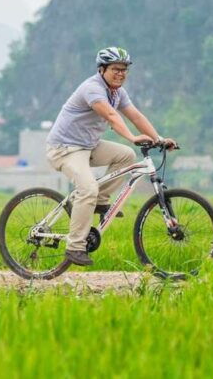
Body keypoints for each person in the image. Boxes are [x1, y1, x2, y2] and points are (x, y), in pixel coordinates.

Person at [46, 47, 176, 266]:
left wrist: (159, 138)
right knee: (87, 188)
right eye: (116, 69)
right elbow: (110, 115)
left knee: (126, 155)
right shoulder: (92, 89)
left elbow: (135, 115)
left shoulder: (118, 92)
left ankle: (99, 201)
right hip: (65, 148)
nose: (121, 74)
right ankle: (75, 247)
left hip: (88, 146)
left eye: (124, 70)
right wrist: (132, 137)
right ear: (102, 69)